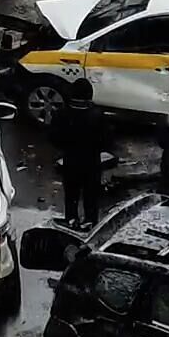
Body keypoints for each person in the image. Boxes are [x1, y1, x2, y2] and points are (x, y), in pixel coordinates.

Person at [53, 81, 106, 228]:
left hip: (71, 160)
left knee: (71, 193)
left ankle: (71, 219)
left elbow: (53, 137)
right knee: (91, 194)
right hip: (92, 161)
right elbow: (106, 139)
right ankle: (90, 221)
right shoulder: (97, 115)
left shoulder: (61, 114)